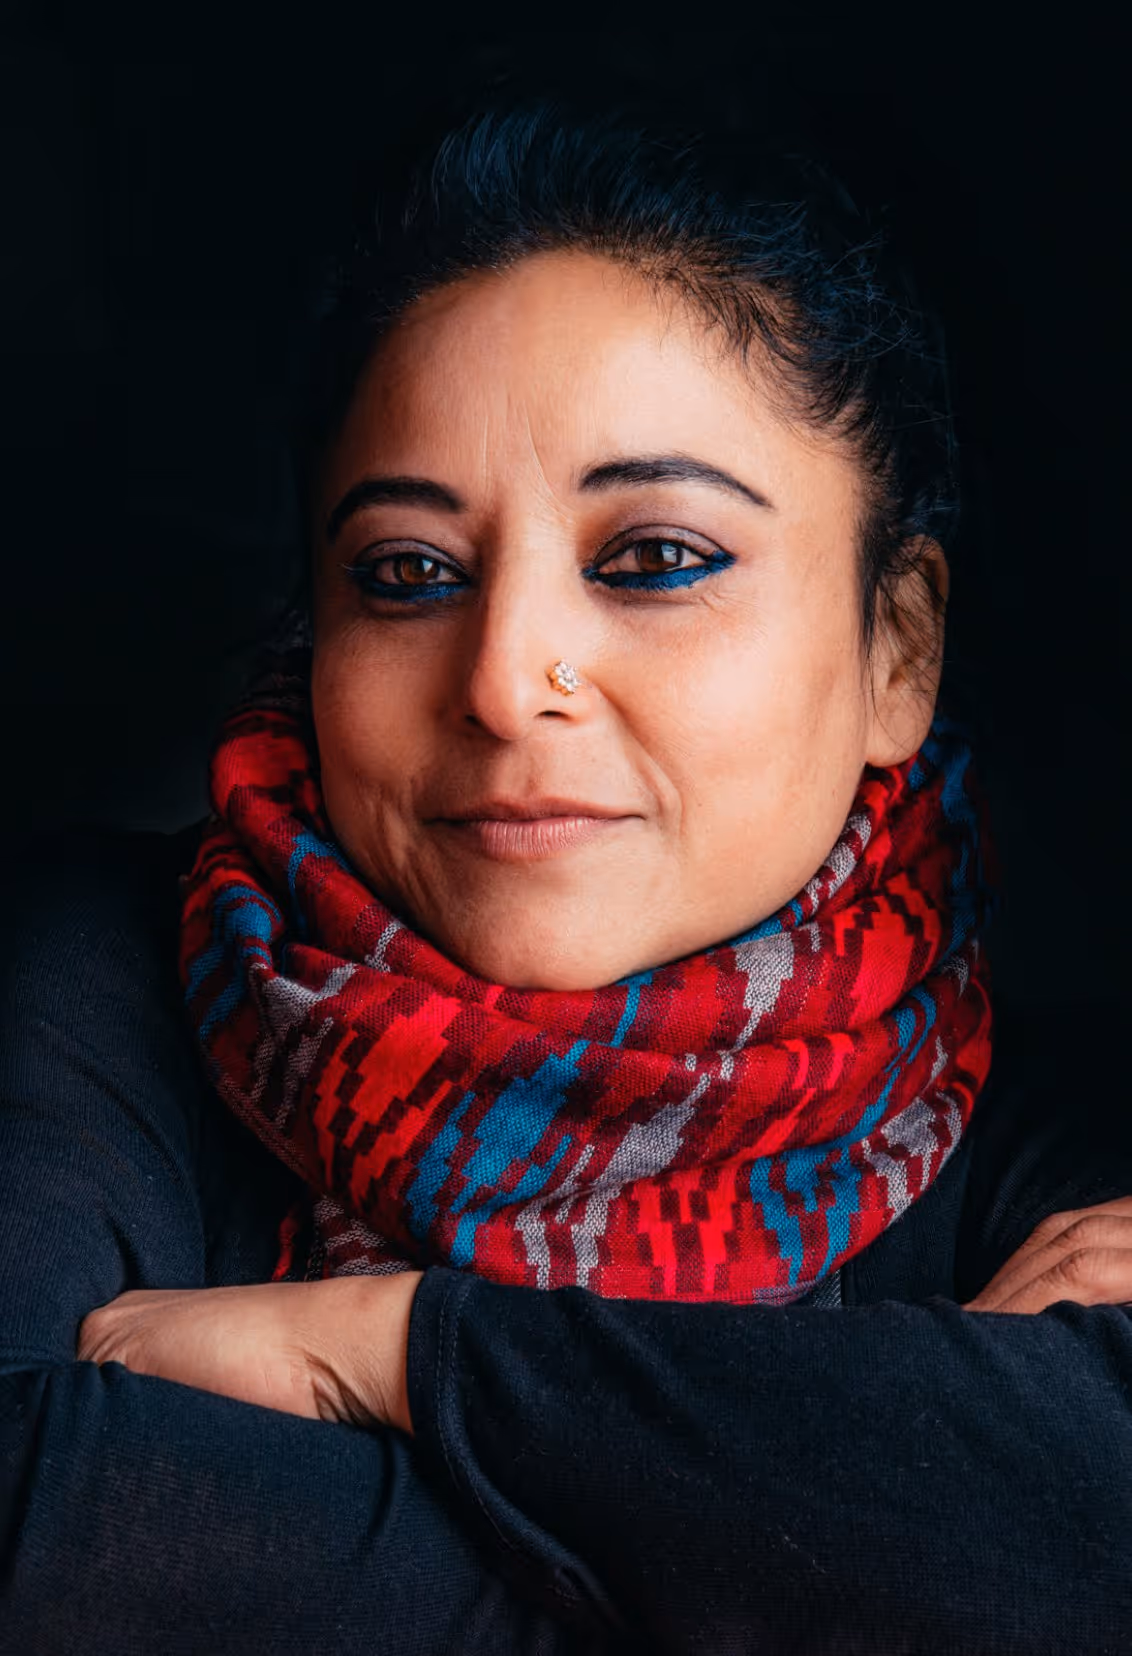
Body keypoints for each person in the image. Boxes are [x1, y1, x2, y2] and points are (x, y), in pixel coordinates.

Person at [1, 82, 1129, 1655]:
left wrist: (401, 1352)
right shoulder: (98, 978)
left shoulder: (1036, 1125)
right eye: (409, 575)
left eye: (653, 560)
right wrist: (864, 1538)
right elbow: (35, 1523)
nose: (502, 676)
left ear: (900, 648)